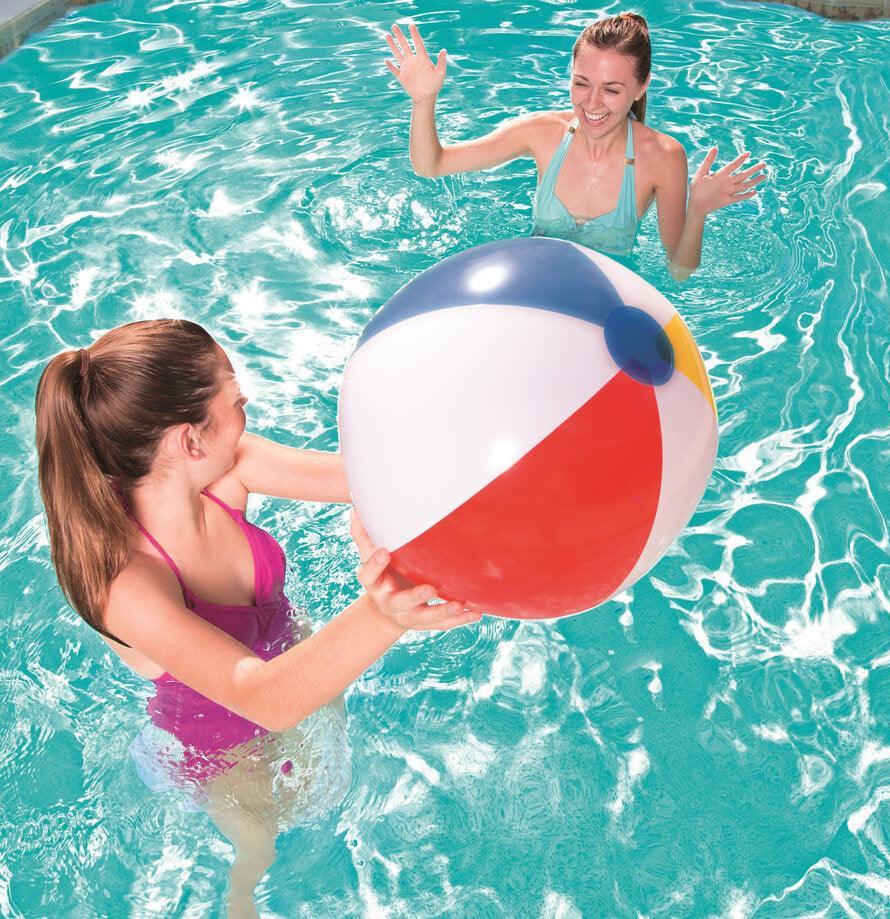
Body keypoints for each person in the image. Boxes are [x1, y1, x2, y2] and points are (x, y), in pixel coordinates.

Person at [34, 318, 481, 919]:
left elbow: (365, 482)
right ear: (191, 440)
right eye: (236, 399)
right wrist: (384, 613)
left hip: (299, 668)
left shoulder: (228, 469)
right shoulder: (129, 586)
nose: (248, 408)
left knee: (330, 769)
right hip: (221, 748)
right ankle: (239, 899)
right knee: (262, 846)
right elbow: (262, 698)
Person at [384, 13, 768, 280]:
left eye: (612, 90)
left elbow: (678, 272)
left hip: (609, 300)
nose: (592, 103)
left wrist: (697, 210)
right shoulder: (542, 132)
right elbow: (431, 165)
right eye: (581, 83)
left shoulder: (662, 158)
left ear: (641, 87)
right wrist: (423, 101)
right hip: (533, 280)